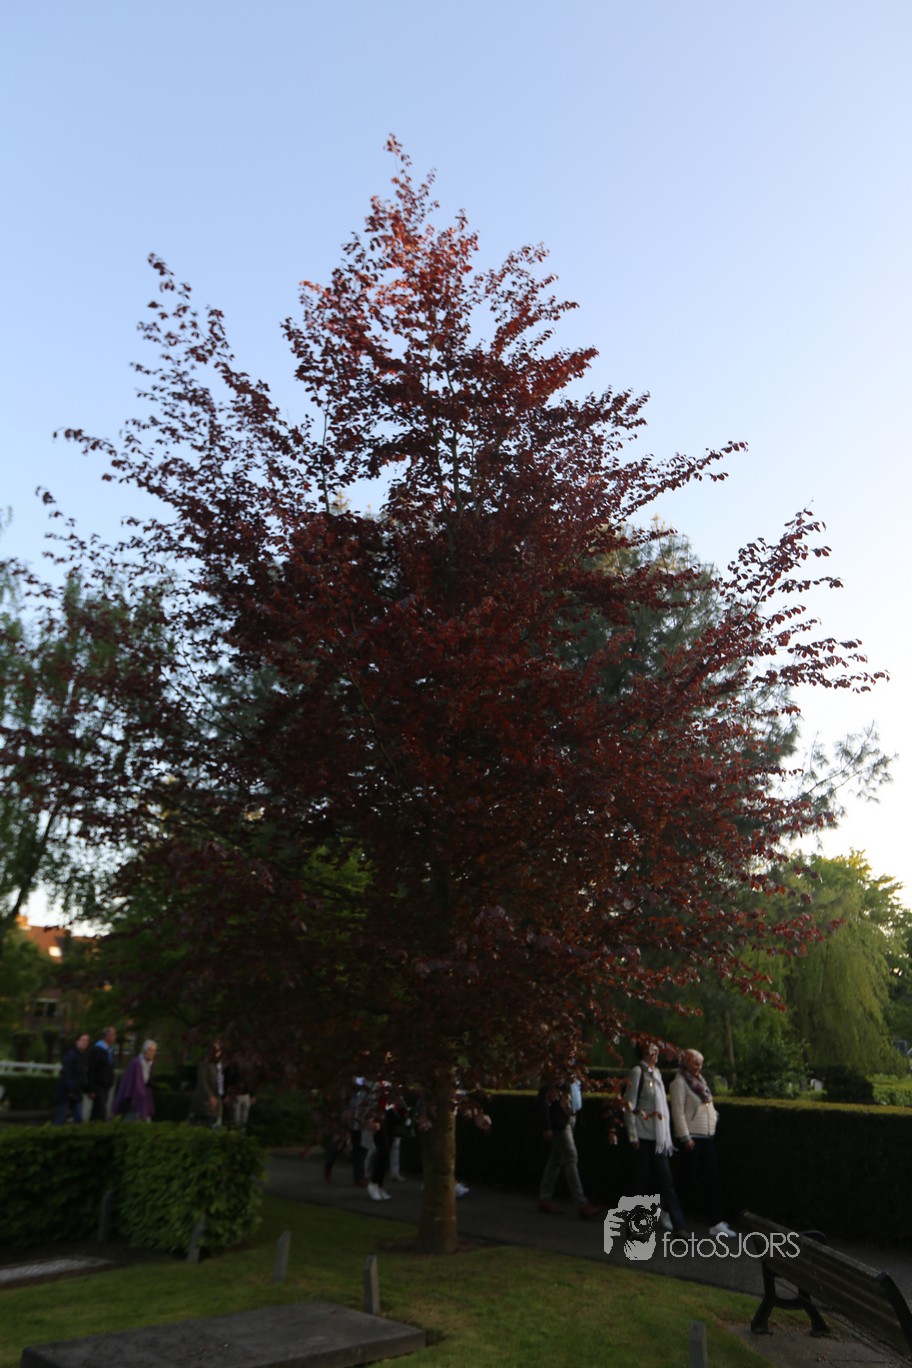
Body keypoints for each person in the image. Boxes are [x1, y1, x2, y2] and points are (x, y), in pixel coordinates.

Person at [670, 1048, 735, 1237]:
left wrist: (713, 1118)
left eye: (700, 1062)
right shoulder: (679, 1083)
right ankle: (669, 1213)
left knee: (711, 1179)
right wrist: (685, 1137)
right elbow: (678, 1112)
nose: (698, 1065)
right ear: (685, 1062)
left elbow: (707, 1104)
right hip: (691, 1138)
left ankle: (715, 1222)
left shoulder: (700, 1081)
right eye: (694, 1062)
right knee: (685, 1180)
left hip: (706, 1136)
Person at [623, 1041, 687, 1234]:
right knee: (640, 1182)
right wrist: (632, 1135)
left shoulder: (656, 1073)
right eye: (653, 1050)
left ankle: (679, 1226)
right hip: (643, 1136)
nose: (657, 1052)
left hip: (658, 1138)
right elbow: (629, 1104)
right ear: (644, 1052)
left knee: (667, 1181)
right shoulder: (638, 1072)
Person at [537, 1075, 602, 1219]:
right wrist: (546, 1125)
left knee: (556, 1158)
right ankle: (581, 1203)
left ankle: (544, 1198)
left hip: (570, 1117)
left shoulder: (573, 1070)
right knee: (571, 1157)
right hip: (561, 1120)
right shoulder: (556, 1070)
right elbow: (543, 1096)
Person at [114, 1039, 157, 1121]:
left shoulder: (150, 1064)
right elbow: (131, 1082)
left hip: (144, 1096)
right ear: (145, 1050)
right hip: (134, 1097)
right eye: (150, 1050)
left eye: (154, 1051)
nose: (152, 1053)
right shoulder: (136, 1063)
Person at [53, 1032, 90, 1124]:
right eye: (82, 1040)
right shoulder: (71, 1055)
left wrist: (88, 1089)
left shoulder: (82, 1056)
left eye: (86, 1041)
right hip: (67, 1092)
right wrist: (71, 1089)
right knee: (60, 1118)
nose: (85, 1043)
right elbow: (67, 1074)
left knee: (78, 1118)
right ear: (77, 1041)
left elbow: (81, 1076)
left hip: (76, 1092)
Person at [189, 1040, 225, 1127]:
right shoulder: (205, 1064)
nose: (217, 1053)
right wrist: (210, 1096)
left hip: (218, 1098)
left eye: (219, 1050)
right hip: (206, 1100)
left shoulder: (220, 1065)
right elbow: (202, 1081)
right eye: (215, 1050)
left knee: (217, 1121)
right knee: (206, 1121)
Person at [86, 1026, 117, 1121]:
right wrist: (91, 1089)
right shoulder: (97, 1050)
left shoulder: (108, 1050)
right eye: (113, 1035)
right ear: (107, 1036)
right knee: (99, 1110)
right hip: (98, 1085)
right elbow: (92, 1069)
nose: (115, 1037)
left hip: (105, 1086)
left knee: (99, 1110)